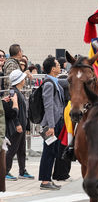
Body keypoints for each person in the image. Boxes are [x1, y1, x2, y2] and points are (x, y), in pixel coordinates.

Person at [39, 56, 65, 190]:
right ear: (53, 68)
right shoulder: (49, 83)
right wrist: (51, 126)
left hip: (56, 122)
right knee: (48, 152)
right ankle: (44, 181)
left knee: (53, 151)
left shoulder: (55, 82)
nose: (60, 66)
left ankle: (47, 178)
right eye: (57, 64)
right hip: (51, 124)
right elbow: (48, 105)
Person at [5, 69, 33, 180]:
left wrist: (26, 125)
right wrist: (17, 124)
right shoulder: (14, 92)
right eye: (23, 78)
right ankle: (5, 171)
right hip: (17, 127)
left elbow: (23, 111)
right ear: (19, 80)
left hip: (21, 125)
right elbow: (13, 110)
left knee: (21, 150)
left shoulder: (18, 91)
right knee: (12, 149)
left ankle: (22, 171)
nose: (24, 79)